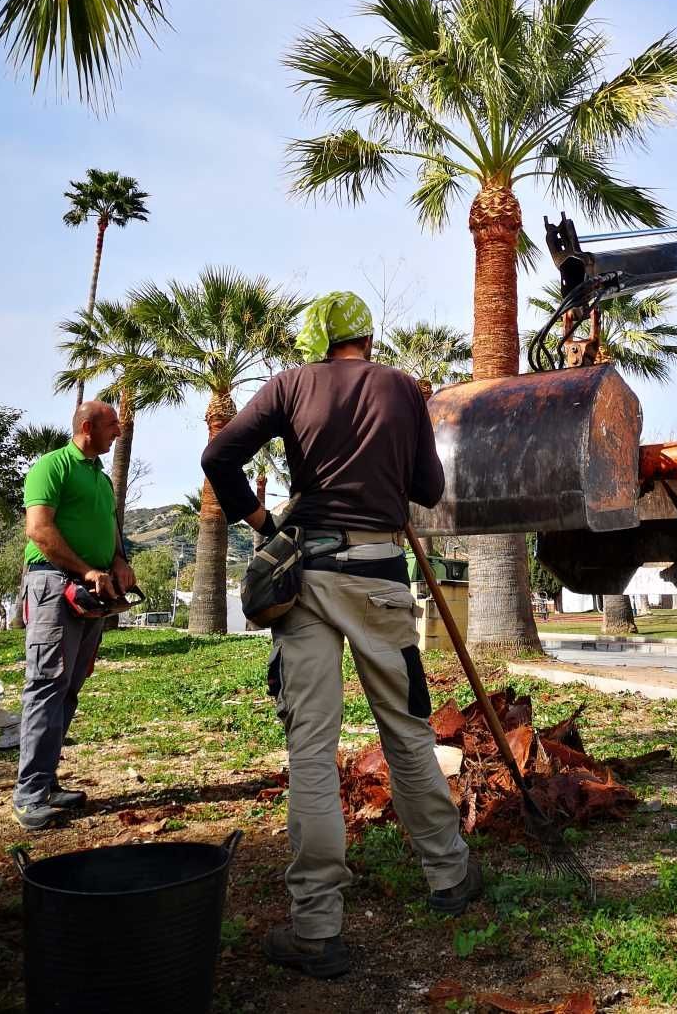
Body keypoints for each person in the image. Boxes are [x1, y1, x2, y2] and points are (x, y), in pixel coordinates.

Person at [202, 292, 480, 978]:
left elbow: (218, 456)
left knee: (312, 747)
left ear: (317, 338)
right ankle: (450, 876)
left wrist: (263, 521)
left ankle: (317, 925)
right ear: (364, 335)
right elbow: (428, 488)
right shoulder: (401, 389)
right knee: (409, 732)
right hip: (382, 575)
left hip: (309, 579)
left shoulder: (290, 384)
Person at [13, 400, 135, 831]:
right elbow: (39, 530)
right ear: (87, 427)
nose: (119, 430)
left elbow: (111, 531)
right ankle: (29, 796)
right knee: (46, 686)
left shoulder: (101, 479)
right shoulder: (52, 466)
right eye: (113, 424)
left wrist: (119, 560)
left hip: (92, 592)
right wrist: (85, 569)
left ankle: (45, 782)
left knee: (68, 688)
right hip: (53, 586)